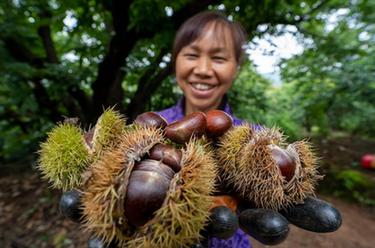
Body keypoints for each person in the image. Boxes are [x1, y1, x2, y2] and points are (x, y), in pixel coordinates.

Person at [157, 10, 251, 248]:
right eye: (191, 55)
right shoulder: (152, 129)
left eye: (219, 59)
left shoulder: (253, 139)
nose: (203, 69)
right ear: (175, 60)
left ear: (236, 68)